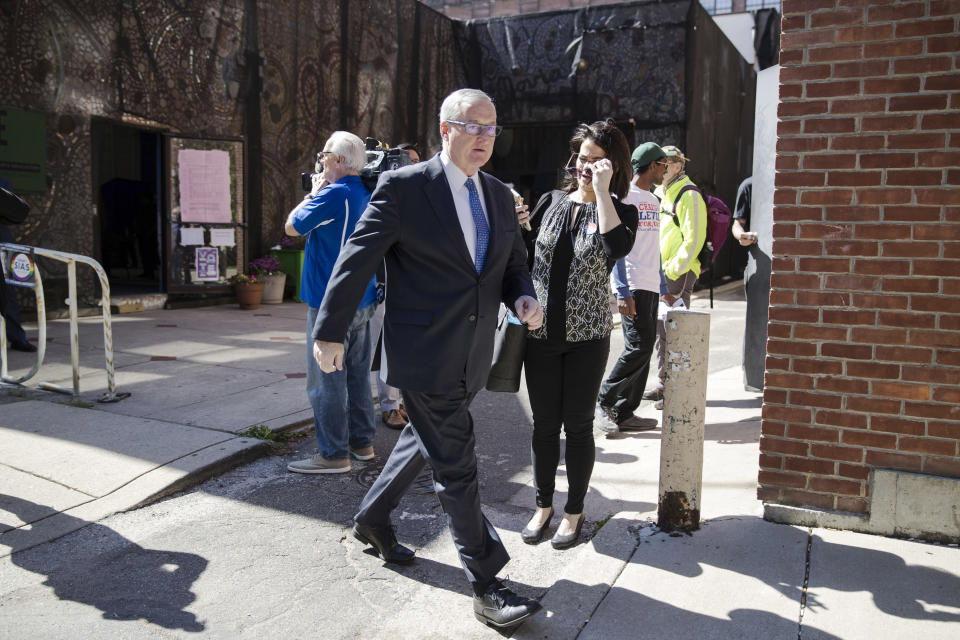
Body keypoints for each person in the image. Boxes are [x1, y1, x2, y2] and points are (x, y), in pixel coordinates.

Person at [311, 89, 545, 629]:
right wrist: (330, 332)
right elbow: (356, 260)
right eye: (474, 127)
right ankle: (487, 581)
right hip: (422, 354)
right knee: (456, 463)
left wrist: (522, 295)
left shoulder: (499, 194)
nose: (485, 138)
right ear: (446, 130)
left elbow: (512, 263)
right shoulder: (405, 187)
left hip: (473, 355)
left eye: (493, 129)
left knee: (425, 439)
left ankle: (372, 519)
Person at [520, 120, 638, 550]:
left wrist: (602, 191)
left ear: (612, 166)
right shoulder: (550, 201)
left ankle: (573, 512)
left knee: (580, 427)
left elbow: (615, 248)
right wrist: (516, 223)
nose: (582, 168)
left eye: (593, 162)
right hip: (540, 335)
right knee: (544, 427)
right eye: (580, 160)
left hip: (588, 337)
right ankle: (543, 506)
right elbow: (524, 256)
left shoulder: (620, 212)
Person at [284, 131, 379, 474]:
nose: (320, 161)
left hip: (330, 302)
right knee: (356, 376)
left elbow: (292, 226)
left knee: (325, 380)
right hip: (363, 297)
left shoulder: (333, 194)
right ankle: (362, 445)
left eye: (324, 155)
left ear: (339, 160)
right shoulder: (367, 193)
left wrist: (313, 192)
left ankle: (333, 454)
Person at [596, 142, 668, 433]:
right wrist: (622, 290)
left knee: (645, 346)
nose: (666, 170)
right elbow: (618, 248)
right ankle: (605, 400)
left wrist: (663, 284)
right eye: (663, 164)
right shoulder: (623, 197)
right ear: (652, 165)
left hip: (650, 283)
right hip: (633, 283)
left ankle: (625, 412)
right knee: (638, 346)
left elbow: (653, 246)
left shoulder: (654, 199)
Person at [643, 145, 706, 406]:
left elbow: (694, 239)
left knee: (676, 332)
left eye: (668, 163)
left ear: (680, 165)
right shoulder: (661, 191)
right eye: (660, 163)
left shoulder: (688, 194)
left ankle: (676, 390)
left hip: (675, 273)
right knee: (661, 331)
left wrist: (673, 270)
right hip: (662, 273)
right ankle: (663, 383)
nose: (663, 167)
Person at [733, 175, 766, 392]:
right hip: (759, 264)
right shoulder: (750, 185)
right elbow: (737, 223)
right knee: (755, 318)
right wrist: (741, 236)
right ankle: (753, 378)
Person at [0, 181, 37, 353]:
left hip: (4, 243)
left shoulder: (4, 183)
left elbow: (19, 212)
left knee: (10, 292)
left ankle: (16, 337)